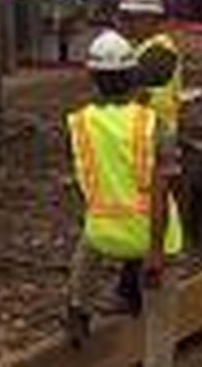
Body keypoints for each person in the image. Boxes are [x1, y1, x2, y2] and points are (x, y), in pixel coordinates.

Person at [66, 30, 183, 365]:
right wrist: (156, 252)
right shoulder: (153, 125)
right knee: (160, 325)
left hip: (104, 233)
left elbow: (87, 179)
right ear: (133, 76)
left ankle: (78, 309)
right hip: (151, 237)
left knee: (85, 249)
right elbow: (160, 193)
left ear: (92, 77)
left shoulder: (80, 123)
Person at [118, 0, 184, 135]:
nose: (127, 24)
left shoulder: (160, 50)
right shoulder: (140, 47)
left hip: (156, 132)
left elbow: (139, 92)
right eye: (125, 18)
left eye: (133, 18)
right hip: (145, 129)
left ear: (153, 19)